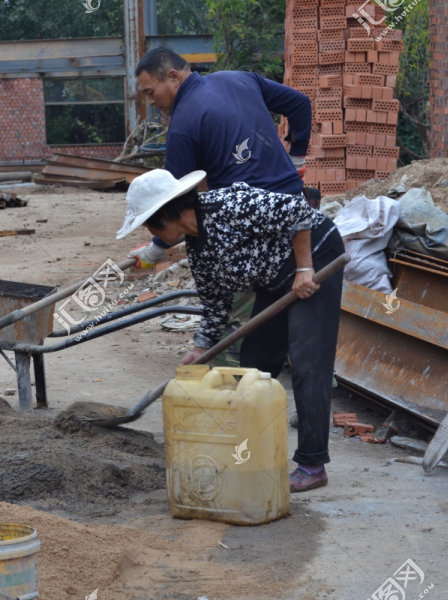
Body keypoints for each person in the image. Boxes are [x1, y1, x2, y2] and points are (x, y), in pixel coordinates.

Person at [116, 169, 345, 493]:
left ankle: (312, 463)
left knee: (308, 360)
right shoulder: (197, 249)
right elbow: (216, 302)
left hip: (316, 254)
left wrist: (306, 267)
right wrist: (200, 347)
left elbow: (298, 212)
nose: (150, 233)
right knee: (256, 361)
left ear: (165, 217)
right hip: (274, 275)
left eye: (149, 225)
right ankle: (250, 451)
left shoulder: (229, 205)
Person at [129, 48, 312, 268]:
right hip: (296, 208)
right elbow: (300, 104)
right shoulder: (239, 78)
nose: (149, 101)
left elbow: (173, 204)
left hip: (251, 229)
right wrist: (296, 161)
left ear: (173, 77)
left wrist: (154, 251)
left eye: (150, 92)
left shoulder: (182, 127)